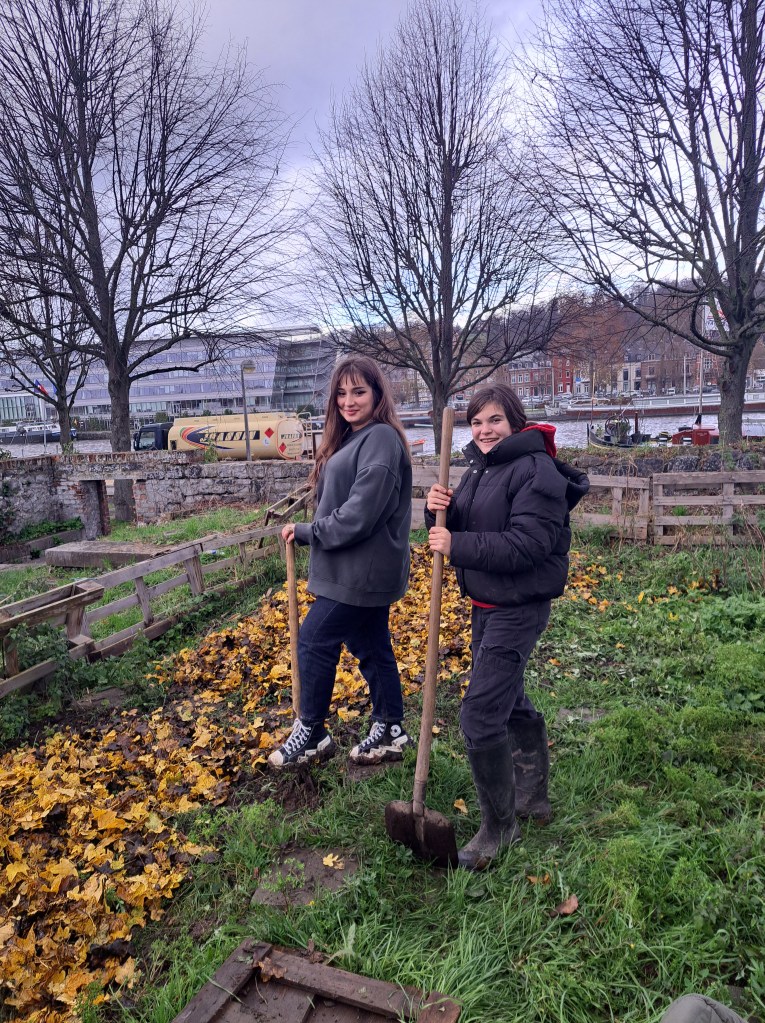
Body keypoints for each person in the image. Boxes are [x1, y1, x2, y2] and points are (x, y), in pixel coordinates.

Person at [425, 384, 589, 870]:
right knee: (507, 699)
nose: (484, 430)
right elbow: (466, 526)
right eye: (476, 422)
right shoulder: (483, 468)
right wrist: (441, 510)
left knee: (480, 715)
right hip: (487, 602)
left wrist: (455, 544)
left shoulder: (536, 470)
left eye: (494, 420)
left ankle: (500, 830)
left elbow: (526, 546)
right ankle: (531, 798)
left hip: (518, 607)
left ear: (515, 421)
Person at [269, 355, 414, 770]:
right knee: (370, 646)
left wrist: (307, 531)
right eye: (342, 393)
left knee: (315, 639)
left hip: (361, 571)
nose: (349, 401)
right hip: (353, 568)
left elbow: (358, 516)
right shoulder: (353, 437)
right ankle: (390, 728)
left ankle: (313, 732)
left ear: (378, 394)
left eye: (359, 392)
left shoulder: (380, 438)